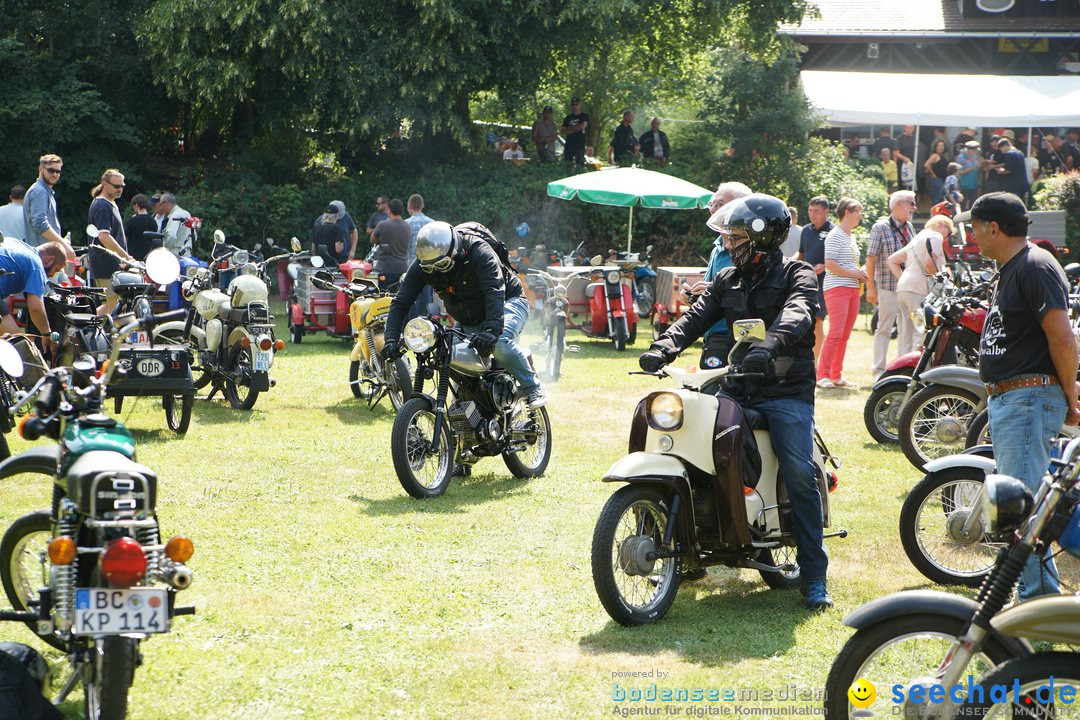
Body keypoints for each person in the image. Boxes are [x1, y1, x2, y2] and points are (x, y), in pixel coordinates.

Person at [638, 194, 832, 610]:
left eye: (737, 237)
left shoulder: (798, 274)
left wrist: (771, 345)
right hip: (737, 387)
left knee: (798, 470)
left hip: (785, 392)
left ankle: (815, 574)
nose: (729, 245)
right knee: (695, 446)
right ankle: (694, 544)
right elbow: (696, 317)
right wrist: (664, 346)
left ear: (763, 239)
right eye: (728, 237)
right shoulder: (728, 279)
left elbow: (798, 313)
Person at [957, 192, 1079, 599]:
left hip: (1027, 398)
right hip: (1015, 399)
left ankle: (1037, 605)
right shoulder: (1013, 267)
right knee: (1024, 504)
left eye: (975, 228)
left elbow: (1062, 338)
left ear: (993, 228)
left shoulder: (1035, 266)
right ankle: (1033, 597)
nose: (973, 237)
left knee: (1021, 510)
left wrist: (1071, 392)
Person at [382, 221, 547, 410]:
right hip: (468, 317)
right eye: (429, 268)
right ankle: (466, 406)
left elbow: (495, 290)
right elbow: (401, 301)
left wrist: (492, 331)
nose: (436, 271)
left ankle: (533, 386)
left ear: (454, 252)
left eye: (443, 264)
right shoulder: (425, 263)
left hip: (508, 301)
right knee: (446, 352)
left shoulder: (478, 250)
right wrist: (390, 340)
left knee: (500, 343)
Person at [685, 181, 752, 368]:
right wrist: (692, 295)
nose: (713, 209)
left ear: (740, 208)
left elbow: (753, 289)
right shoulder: (717, 246)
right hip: (712, 333)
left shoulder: (750, 250)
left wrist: (716, 288)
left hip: (734, 336)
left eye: (720, 204)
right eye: (712, 204)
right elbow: (712, 289)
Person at [817, 197, 867, 389]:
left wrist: (859, 272)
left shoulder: (850, 236)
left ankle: (835, 375)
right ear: (847, 211)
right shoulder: (835, 235)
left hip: (853, 287)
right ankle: (822, 375)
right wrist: (856, 273)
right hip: (837, 287)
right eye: (858, 211)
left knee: (844, 334)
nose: (860, 216)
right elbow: (830, 265)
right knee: (836, 332)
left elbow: (846, 263)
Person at [886, 214, 953, 356]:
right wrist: (941, 279)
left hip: (904, 289)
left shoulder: (918, 238)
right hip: (918, 291)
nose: (948, 236)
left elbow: (892, 260)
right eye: (949, 231)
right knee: (921, 331)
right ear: (941, 224)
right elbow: (929, 264)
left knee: (904, 335)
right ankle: (914, 369)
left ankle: (901, 369)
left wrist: (903, 277)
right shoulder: (935, 236)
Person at [867, 190, 916, 379]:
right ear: (897, 205)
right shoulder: (880, 227)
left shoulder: (909, 227)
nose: (914, 207)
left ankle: (902, 369)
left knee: (906, 331)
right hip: (887, 286)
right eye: (910, 203)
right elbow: (870, 258)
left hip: (907, 288)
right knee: (884, 328)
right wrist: (871, 287)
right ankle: (878, 371)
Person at [0, 241, 66, 355]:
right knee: (19, 344)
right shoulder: (37, 266)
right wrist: (46, 334)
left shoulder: (18, 245)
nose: (52, 275)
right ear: (49, 260)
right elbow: (35, 308)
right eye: (56, 270)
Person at [87, 169, 134, 314]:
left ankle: (85, 327)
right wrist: (126, 257)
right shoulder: (102, 205)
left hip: (111, 263)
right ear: (104, 184)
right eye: (116, 186)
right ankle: (84, 328)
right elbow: (104, 236)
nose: (120, 189)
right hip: (106, 263)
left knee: (113, 305)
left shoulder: (109, 203)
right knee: (114, 307)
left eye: (122, 186)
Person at [798, 196, 834, 363]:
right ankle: (805, 359)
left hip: (826, 282)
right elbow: (801, 255)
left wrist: (825, 266)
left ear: (826, 211)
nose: (813, 215)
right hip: (805, 280)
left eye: (817, 211)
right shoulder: (805, 230)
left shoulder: (834, 231)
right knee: (805, 320)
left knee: (817, 319)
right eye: (810, 210)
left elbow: (841, 258)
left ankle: (815, 362)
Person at [23, 155, 70, 253]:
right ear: (40, 169)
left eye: (58, 171)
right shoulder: (39, 192)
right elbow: (40, 224)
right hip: (42, 257)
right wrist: (63, 244)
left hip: (46, 256)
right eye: (51, 170)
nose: (55, 174)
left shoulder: (46, 192)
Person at [404, 194, 434, 319]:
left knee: (412, 298)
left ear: (409, 206)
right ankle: (427, 323)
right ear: (422, 205)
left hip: (410, 266)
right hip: (429, 266)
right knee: (427, 297)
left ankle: (413, 325)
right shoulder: (432, 223)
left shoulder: (406, 224)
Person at [371, 198, 410, 291]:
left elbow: (372, 239)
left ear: (389, 210)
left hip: (385, 268)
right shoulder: (407, 226)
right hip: (402, 268)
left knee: (384, 296)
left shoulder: (382, 224)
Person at [155, 192, 193, 257]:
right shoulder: (186, 213)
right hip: (187, 253)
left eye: (161, 204)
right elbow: (194, 234)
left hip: (176, 254)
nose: (161, 207)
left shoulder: (174, 215)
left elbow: (171, 236)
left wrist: (166, 250)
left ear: (166, 203)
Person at [125, 194, 159, 262]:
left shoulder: (132, 221)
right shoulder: (153, 221)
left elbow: (125, 239)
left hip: (133, 256)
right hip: (148, 256)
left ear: (136, 205)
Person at [560, 97, 589, 166]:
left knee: (579, 166)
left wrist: (570, 129)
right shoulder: (567, 118)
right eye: (573, 105)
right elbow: (563, 131)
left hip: (579, 145)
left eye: (576, 104)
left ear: (580, 105)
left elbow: (582, 126)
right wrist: (576, 128)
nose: (574, 106)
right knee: (567, 165)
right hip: (568, 145)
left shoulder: (584, 116)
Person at [923, 139, 950, 204]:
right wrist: (933, 174)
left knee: (941, 199)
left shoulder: (942, 156)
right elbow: (926, 164)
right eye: (939, 145)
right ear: (936, 147)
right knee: (937, 199)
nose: (941, 147)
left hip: (942, 179)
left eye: (943, 145)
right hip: (937, 180)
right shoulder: (935, 156)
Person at [957, 141, 981, 209]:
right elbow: (960, 172)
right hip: (964, 185)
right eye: (974, 150)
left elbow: (978, 171)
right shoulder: (961, 158)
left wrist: (979, 182)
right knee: (963, 205)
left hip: (974, 185)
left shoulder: (976, 157)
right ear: (969, 149)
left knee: (973, 204)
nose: (975, 152)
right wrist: (974, 167)